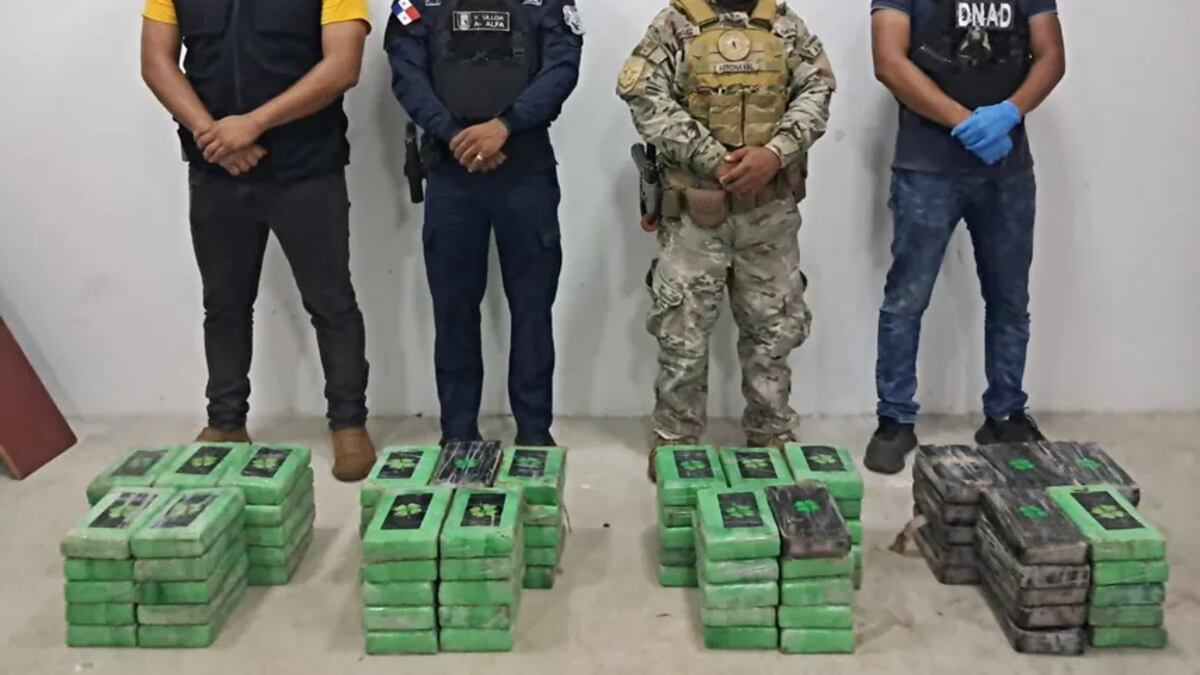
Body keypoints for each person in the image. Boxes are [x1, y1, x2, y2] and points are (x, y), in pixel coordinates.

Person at [140, 0, 378, 481]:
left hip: (307, 170)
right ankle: (226, 423)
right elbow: (156, 63)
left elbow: (342, 66)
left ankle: (349, 424)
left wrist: (252, 124)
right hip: (216, 171)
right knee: (224, 304)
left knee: (331, 303)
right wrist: (212, 135)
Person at [618, 0, 836, 481]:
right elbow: (644, 94)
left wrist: (775, 153)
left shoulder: (784, 24)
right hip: (695, 215)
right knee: (682, 330)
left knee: (774, 328)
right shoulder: (675, 23)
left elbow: (817, 88)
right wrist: (715, 159)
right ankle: (676, 438)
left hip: (769, 213)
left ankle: (771, 431)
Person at [863, 0, 1066, 474]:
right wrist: (965, 122)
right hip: (926, 168)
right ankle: (894, 420)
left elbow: (1052, 55)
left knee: (1010, 299)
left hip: (1007, 171)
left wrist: (1009, 113)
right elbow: (888, 61)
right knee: (906, 299)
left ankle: (1006, 415)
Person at [384, 0, 583, 447]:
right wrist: (455, 134)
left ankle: (534, 434)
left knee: (532, 309)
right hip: (451, 169)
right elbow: (406, 72)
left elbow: (562, 68)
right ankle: (458, 435)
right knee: (453, 309)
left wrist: (505, 126)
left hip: (524, 167)